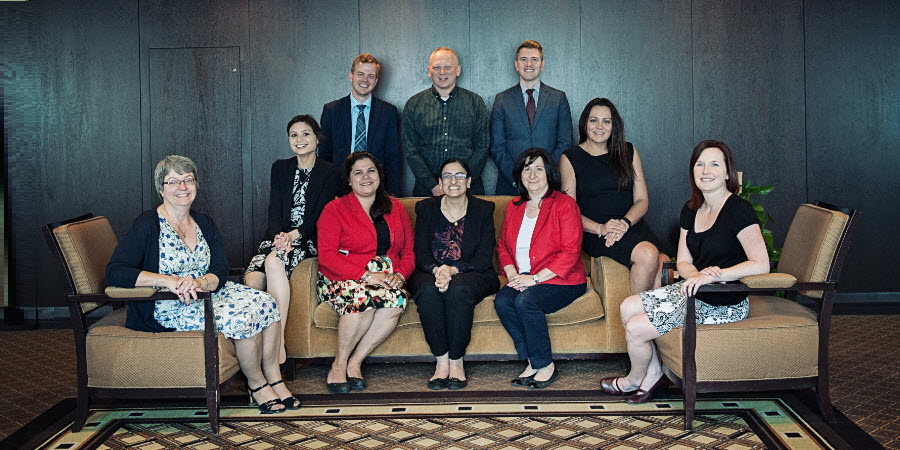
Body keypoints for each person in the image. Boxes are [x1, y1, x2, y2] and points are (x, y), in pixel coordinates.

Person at [106, 155, 297, 414]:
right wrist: (170, 281)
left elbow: (220, 267)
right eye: (173, 181)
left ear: (196, 185)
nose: (182, 187)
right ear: (161, 189)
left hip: (207, 292)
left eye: (188, 180)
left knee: (265, 301)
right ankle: (257, 384)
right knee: (244, 316)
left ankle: (274, 377)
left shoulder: (203, 222)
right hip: (171, 304)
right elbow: (116, 273)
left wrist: (202, 282)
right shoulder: (147, 225)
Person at [600, 140, 769, 403]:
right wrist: (694, 276)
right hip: (694, 291)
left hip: (725, 302)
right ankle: (654, 373)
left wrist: (714, 275)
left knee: (635, 327)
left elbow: (761, 264)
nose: (705, 170)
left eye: (714, 164)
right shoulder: (691, 209)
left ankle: (633, 380)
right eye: (699, 164)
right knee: (626, 307)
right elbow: (683, 261)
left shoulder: (739, 209)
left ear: (727, 173)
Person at [244, 115, 342, 365]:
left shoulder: (330, 172)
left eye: (306, 134)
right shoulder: (280, 168)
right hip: (278, 238)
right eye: (294, 135)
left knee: (275, 263)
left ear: (317, 138)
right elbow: (274, 209)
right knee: (253, 281)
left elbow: (321, 215)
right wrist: (279, 236)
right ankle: (252, 350)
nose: (300, 139)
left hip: (307, 240)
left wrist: (293, 236)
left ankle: (278, 346)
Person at [316, 151, 415, 394]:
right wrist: (367, 276)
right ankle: (338, 365)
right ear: (349, 180)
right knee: (362, 300)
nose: (365, 177)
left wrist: (400, 275)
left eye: (370, 171)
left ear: (379, 175)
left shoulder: (396, 208)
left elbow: (409, 251)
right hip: (345, 275)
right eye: (357, 173)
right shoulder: (335, 208)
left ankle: (355, 362)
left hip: (386, 276)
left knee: (395, 302)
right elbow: (327, 255)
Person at [493, 148, 586, 390]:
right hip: (524, 277)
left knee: (526, 301)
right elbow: (502, 245)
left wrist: (534, 279)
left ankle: (545, 364)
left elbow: (570, 252)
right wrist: (513, 274)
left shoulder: (564, 205)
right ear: (519, 174)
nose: (532, 174)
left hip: (561, 280)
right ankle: (532, 360)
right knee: (503, 301)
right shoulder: (514, 207)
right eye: (527, 168)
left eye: (539, 168)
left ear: (549, 173)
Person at [407, 158, 500, 390]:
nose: (453, 181)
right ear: (440, 182)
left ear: (469, 182)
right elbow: (420, 253)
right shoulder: (425, 208)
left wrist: (452, 269)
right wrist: (438, 270)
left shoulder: (483, 209)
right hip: (431, 271)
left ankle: (456, 363)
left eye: (460, 176)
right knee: (428, 291)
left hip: (473, 272)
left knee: (458, 290)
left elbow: (483, 257)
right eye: (447, 176)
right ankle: (441, 362)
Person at [559, 98, 667, 295]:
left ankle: (645, 323)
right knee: (648, 254)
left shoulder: (628, 151)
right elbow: (569, 213)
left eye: (606, 121)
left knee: (664, 264)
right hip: (596, 232)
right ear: (584, 123)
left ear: (614, 125)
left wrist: (624, 224)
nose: (600, 126)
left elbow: (642, 200)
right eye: (594, 120)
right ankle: (632, 318)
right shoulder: (570, 158)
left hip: (631, 224)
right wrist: (602, 228)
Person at [403, 47, 490, 196]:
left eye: (447, 67)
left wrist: (461, 182)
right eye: (436, 67)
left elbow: (482, 147)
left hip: (469, 191)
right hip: (426, 192)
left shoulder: (475, 102)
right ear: (429, 71)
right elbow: (411, 151)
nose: (442, 72)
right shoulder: (413, 104)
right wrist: (432, 185)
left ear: (458, 70)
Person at [491, 40, 572, 195]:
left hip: (548, 186)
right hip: (511, 187)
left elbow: (565, 143)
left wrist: (545, 176)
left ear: (542, 64)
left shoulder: (558, 98)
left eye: (534, 59)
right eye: (523, 59)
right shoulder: (502, 99)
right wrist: (518, 178)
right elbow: (497, 147)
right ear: (516, 64)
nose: (529, 64)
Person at [319, 53, 402, 196]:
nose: (365, 80)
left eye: (371, 76)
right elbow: (324, 156)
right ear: (351, 75)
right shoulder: (332, 110)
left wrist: (392, 195)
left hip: (377, 190)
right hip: (340, 190)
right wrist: (328, 192)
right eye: (360, 74)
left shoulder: (388, 112)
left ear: (376, 80)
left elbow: (393, 157)